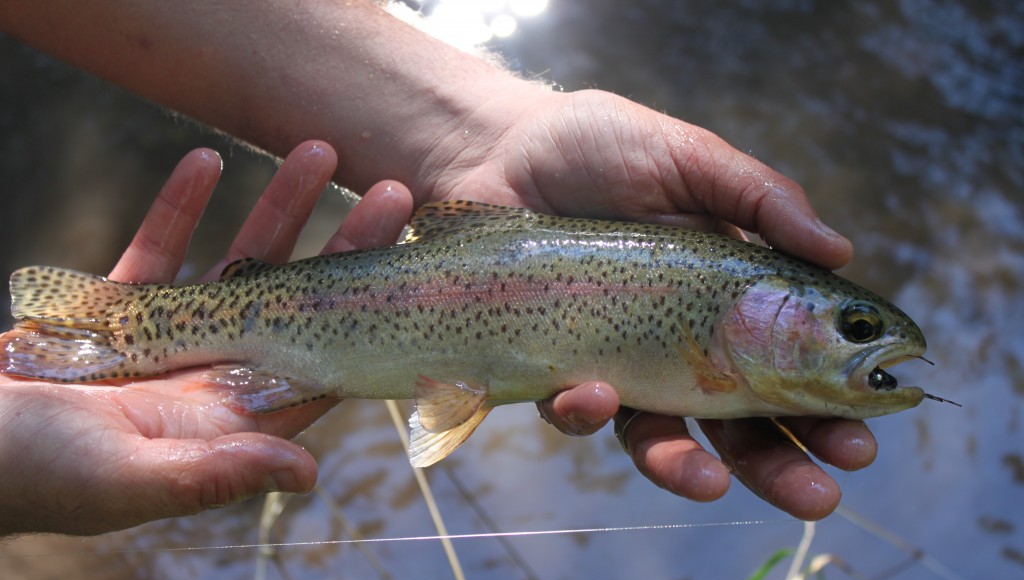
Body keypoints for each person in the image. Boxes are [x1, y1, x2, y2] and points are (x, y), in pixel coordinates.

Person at [0, 2, 878, 535]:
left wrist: (489, 135)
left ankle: (126, 328)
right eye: (856, 327)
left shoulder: (720, 321)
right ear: (774, 304)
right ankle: (128, 328)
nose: (865, 346)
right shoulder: (716, 315)